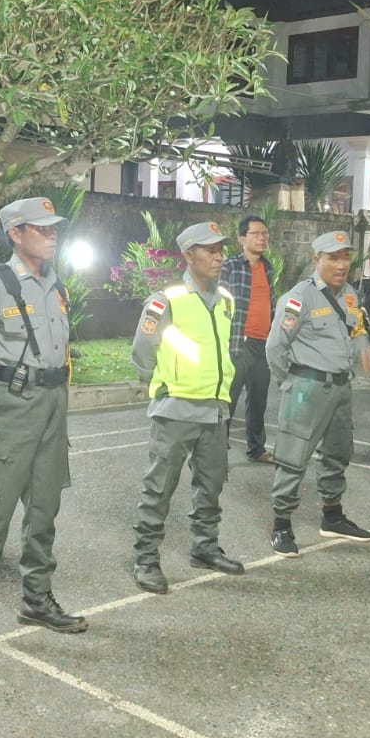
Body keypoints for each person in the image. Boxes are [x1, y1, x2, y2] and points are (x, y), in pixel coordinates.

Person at [0, 196, 86, 663]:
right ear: (17, 234)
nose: (52, 236)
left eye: (54, 230)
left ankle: (36, 600)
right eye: (41, 229)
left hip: (51, 406)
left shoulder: (56, 286)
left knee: (44, 510)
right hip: (9, 406)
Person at [129, 222, 247, 594]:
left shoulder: (226, 299)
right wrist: (165, 386)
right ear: (188, 255)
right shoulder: (167, 299)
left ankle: (205, 547)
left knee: (211, 486)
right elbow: (141, 351)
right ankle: (146, 558)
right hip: (176, 410)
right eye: (209, 250)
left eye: (221, 249)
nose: (218, 257)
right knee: (159, 488)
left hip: (214, 409)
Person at [266, 230, 370, 557]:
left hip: (341, 386)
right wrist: (290, 380)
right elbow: (275, 347)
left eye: (345, 257)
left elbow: (355, 327)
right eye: (333, 258)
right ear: (317, 260)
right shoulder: (299, 299)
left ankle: (332, 516)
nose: (341, 265)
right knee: (293, 455)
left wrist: (363, 346)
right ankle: (281, 524)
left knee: (338, 452)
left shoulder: (351, 296)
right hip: (307, 385)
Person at [220, 214, 277, 463]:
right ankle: (217, 446)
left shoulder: (268, 267)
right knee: (229, 398)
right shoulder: (231, 267)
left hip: (263, 344)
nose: (262, 238)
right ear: (242, 238)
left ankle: (256, 448)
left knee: (258, 400)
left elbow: (270, 305)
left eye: (265, 233)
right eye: (256, 233)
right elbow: (221, 305)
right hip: (239, 342)